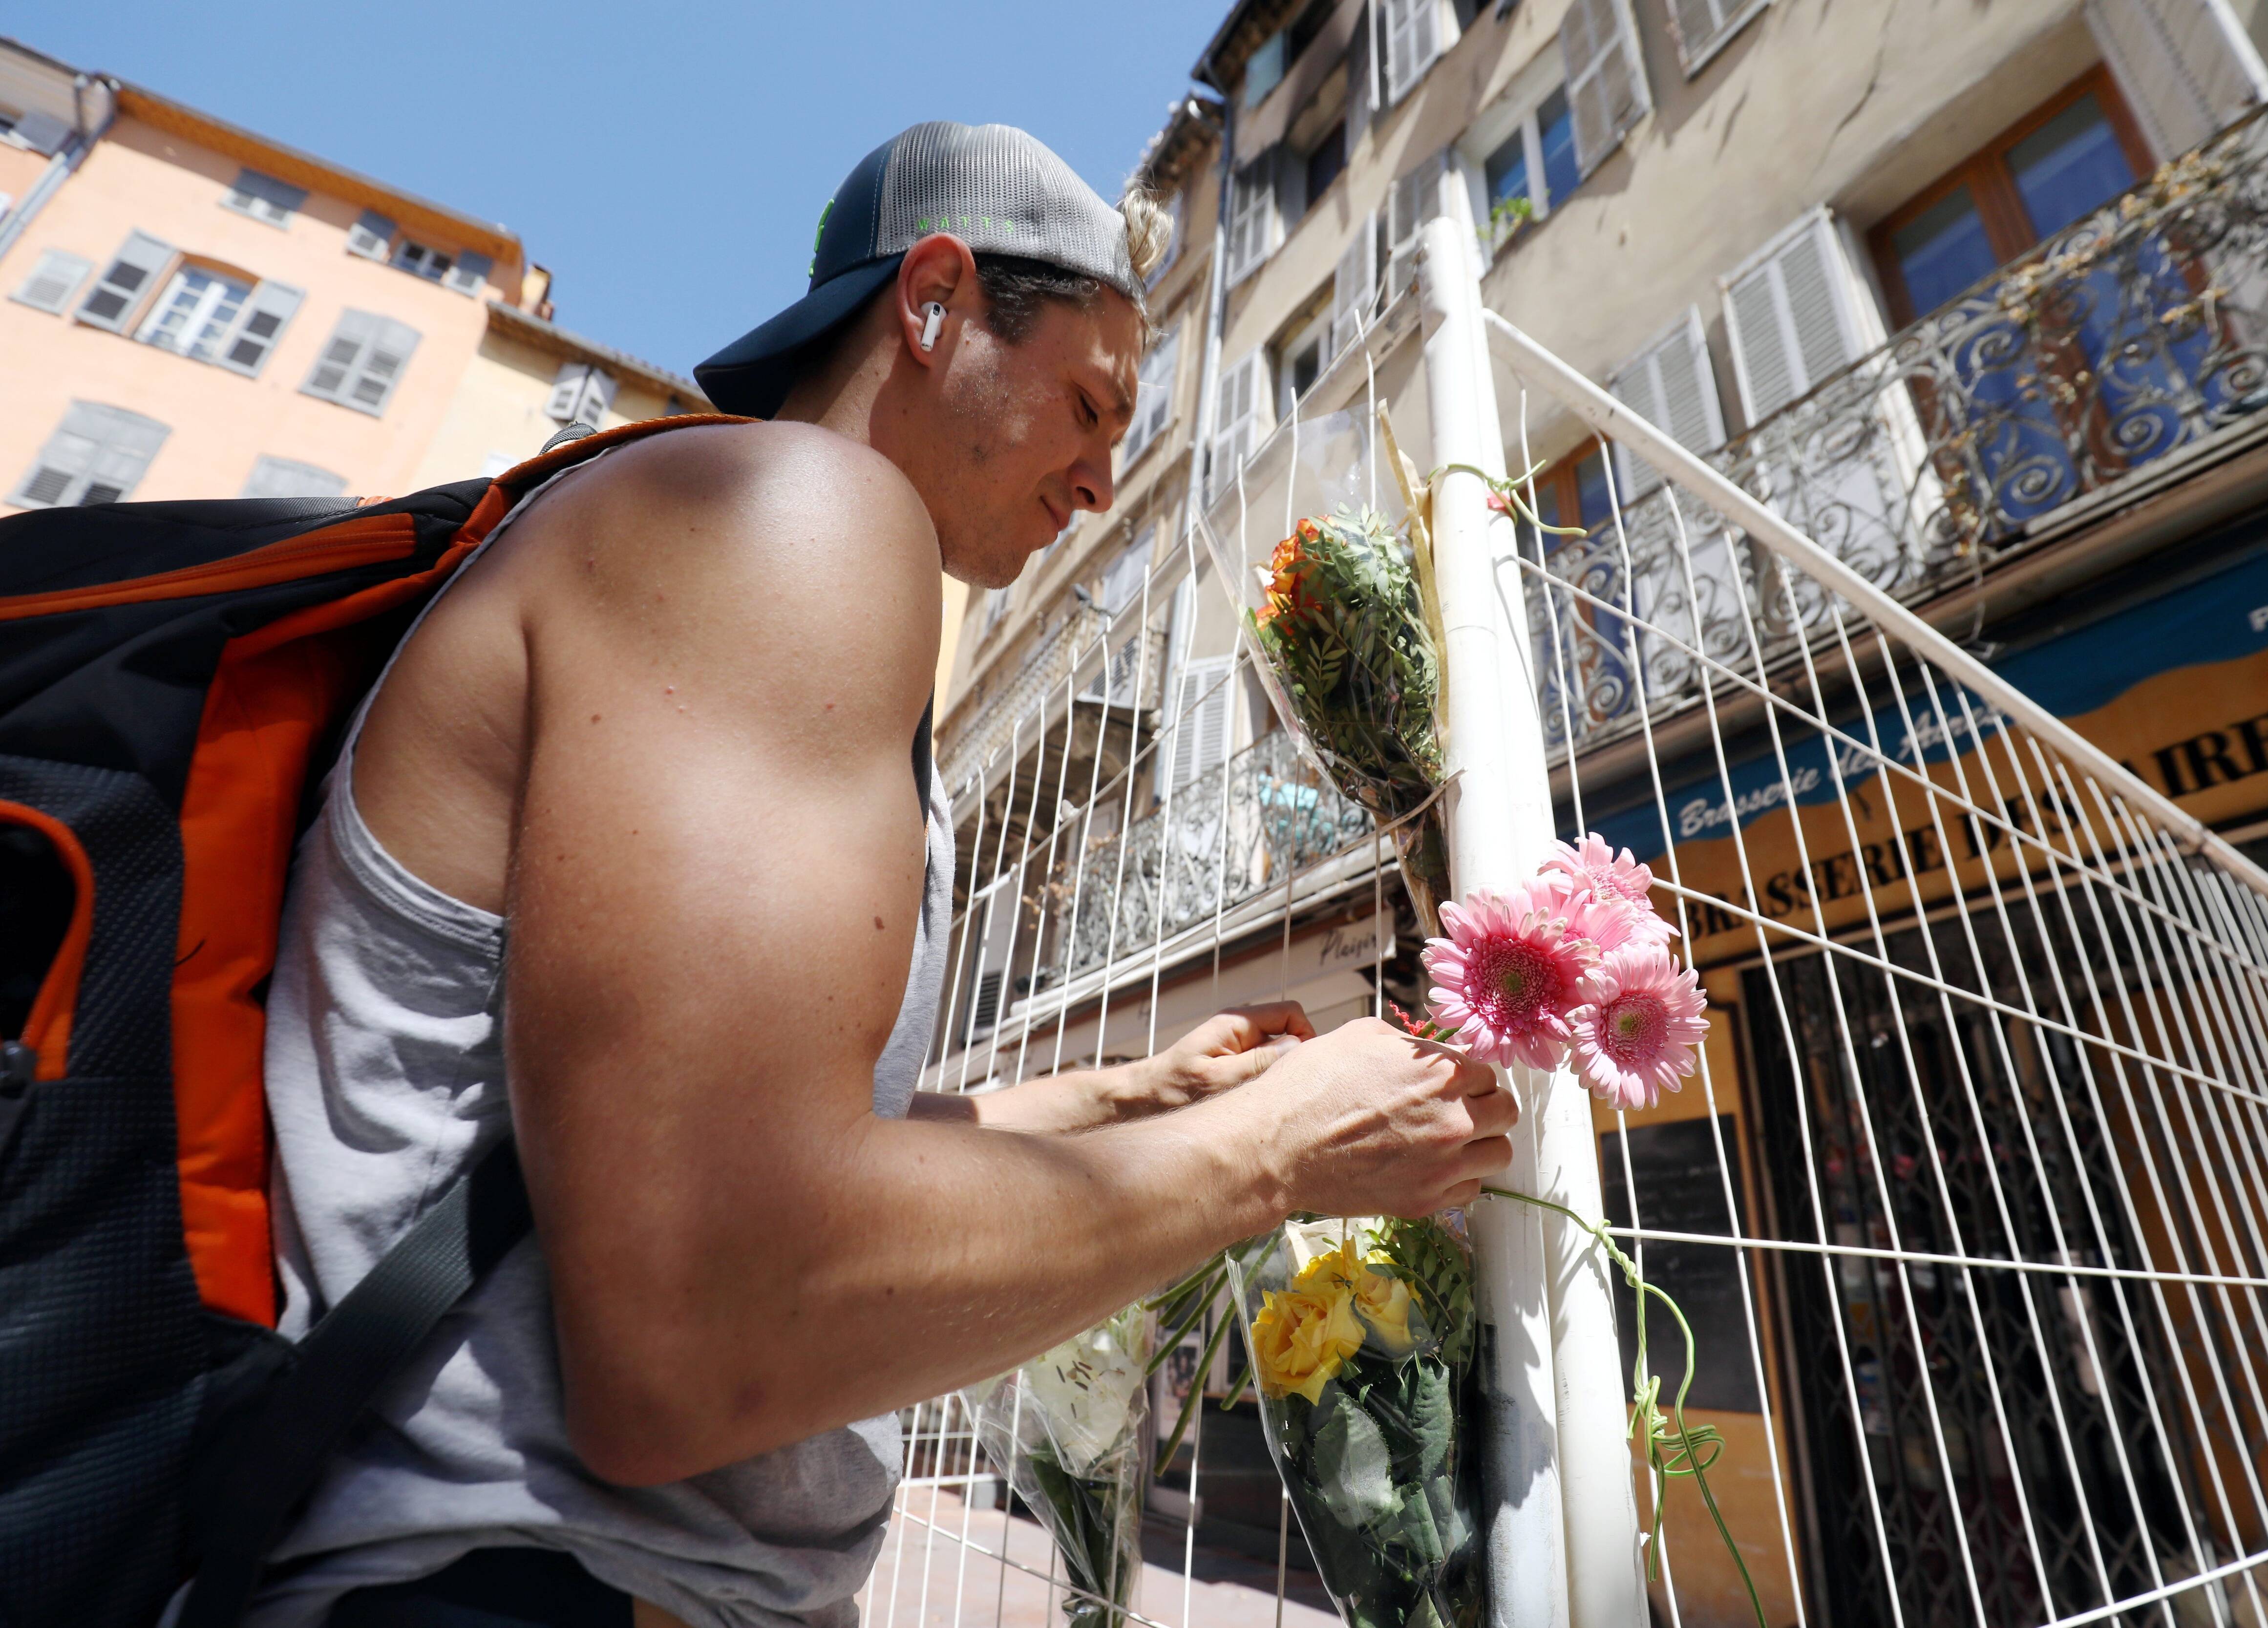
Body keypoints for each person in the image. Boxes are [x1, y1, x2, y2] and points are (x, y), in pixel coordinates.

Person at [248, 123, 1517, 1628]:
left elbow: (731, 1134)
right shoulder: (778, 522)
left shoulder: (736, 559)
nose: (1106, 482)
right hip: (510, 1592)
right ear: (931, 303)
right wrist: (1278, 1152)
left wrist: (1131, 1103)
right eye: (1090, 406)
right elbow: (698, 1323)